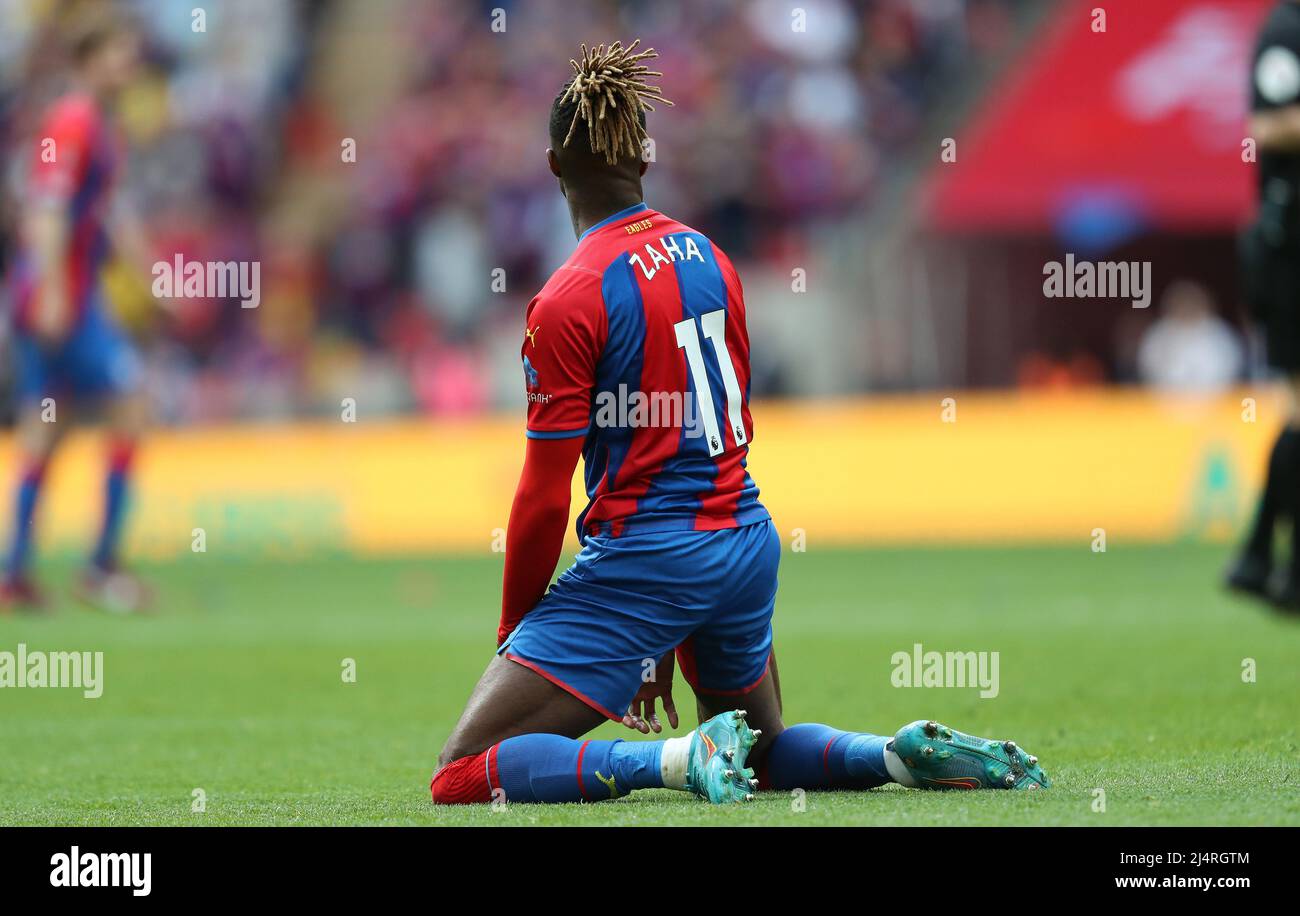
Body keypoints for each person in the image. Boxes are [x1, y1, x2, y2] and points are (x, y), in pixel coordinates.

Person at [430, 41, 1047, 805]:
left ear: (554, 165)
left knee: (462, 772)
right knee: (758, 753)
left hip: (648, 559)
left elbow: (542, 499)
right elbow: (720, 427)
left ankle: (670, 762)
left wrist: (516, 641)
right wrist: (652, 632)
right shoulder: (712, 259)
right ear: (646, 160)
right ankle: (892, 755)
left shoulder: (568, 297)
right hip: (741, 540)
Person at [1, 10, 153, 614]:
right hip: (61, 296)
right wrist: (55, 292)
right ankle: (101, 565)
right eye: (120, 53)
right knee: (132, 405)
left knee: (47, 430)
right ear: (90, 61)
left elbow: (107, 212)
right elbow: (47, 208)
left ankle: (14, 573)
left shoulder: (102, 126)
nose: (131, 64)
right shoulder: (71, 122)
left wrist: (149, 278)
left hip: (71, 294)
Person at [1228, 0, 1300, 611]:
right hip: (1288, 247)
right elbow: (1267, 124)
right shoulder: (1286, 32)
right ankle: (1268, 560)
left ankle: (1264, 558)